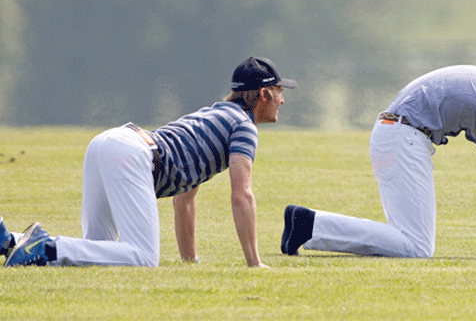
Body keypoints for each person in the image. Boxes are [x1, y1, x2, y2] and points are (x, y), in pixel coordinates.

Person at [1, 56, 296, 268]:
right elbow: (241, 195)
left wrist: (189, 261)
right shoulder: (243, 126)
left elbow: (185, 200)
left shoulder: (214, 113)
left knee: (96, 252)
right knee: (142, 257)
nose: (282, 100)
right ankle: (46, 247)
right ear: (263, 94)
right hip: (131, 155)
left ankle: (10, 240)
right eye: (280, 92)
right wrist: (254, 262)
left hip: (108, 143)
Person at [281, 65, 476, 261]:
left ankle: (308, 225)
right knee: (417, 247)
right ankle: (309, 224)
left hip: (396, 132)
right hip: (403, 137)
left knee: (410, 241)